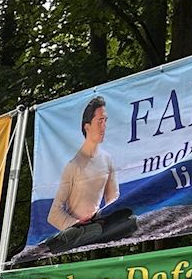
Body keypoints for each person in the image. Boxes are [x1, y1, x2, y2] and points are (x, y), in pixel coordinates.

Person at [11, 95, 136, 265]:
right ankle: (61, 240)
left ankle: (96, 230)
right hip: (78, 228)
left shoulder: (107, 159)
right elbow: (54, 214)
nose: (104, 126)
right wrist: (77, 222)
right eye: (100, 121)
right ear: (87, 126)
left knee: (130, 219)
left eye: (105, 121)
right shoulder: (73, 166)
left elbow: (113, 199)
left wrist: (104, 214)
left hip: (98, 222)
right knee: (93, 230)